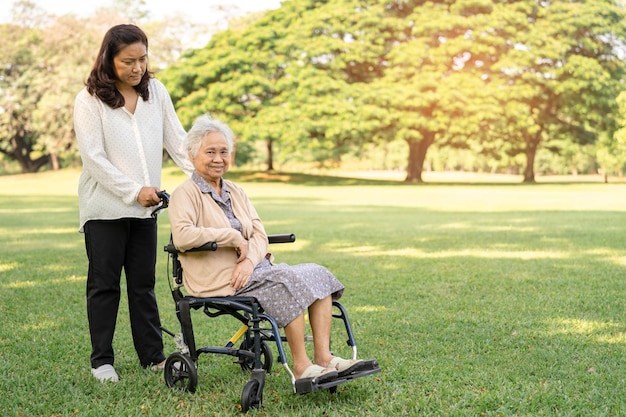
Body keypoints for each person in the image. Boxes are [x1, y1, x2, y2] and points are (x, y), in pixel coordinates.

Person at [168, 114, 369, 384]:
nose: (218, 158)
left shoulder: (236, 191)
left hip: (254, 269)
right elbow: (182, 236)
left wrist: (250, 260)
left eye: (224, 152)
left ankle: (324, 358)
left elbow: (259, 233)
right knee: (284, 280)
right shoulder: (185, 193)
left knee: (317, 274)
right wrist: (232, 236)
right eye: (211, 152)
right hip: (221, 277)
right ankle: (301, 367)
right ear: (192, 155)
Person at [73, 24, 193, 383]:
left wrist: (205, 177)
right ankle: (102, 362)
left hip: (145, 209)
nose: (137, 68)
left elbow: (178, 141)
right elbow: (94, 159)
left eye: (142, 59)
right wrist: (133, 190)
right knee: (104, 285)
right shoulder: (89, 99)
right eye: (128, 61)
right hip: (104, 209)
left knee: (143, 285)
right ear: (109, 59)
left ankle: (152, 356)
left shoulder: (155, 92)